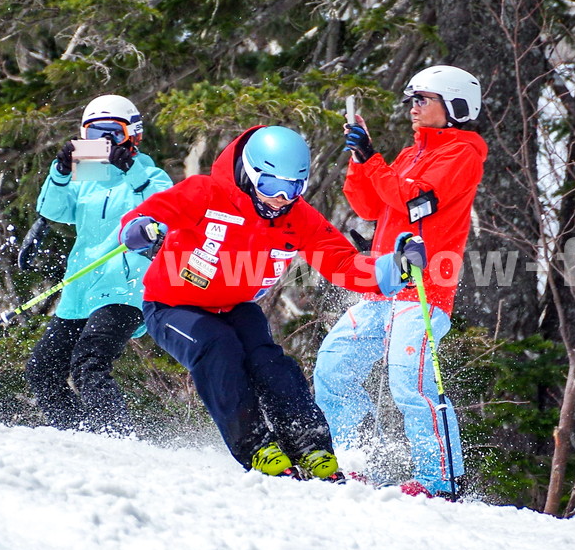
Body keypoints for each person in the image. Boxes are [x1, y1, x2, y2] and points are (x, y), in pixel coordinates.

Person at [119, 125, 425, 479]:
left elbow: (340, 262)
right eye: (270, 186)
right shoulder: (204, 192)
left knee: (269, 362)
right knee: (219, 349)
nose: (280, 198)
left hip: (235, 306)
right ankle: (257, 447)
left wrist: (393, 268)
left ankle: (310, 445)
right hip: (173, 305)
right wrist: (140, 229)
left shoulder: (298, 218)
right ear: (250, 175)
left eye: (293, 187)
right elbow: (145, 218)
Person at [313, 66, 487, 498]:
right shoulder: (411, 155)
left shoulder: (462, 153)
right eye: (413, 99)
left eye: (423, 99)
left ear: (454, 106)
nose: (413, 107)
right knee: (334, 368)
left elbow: (412, 201)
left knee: (410, 384)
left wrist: (372, 158)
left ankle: (440, 481)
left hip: (424, 289)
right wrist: (360, 160)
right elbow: (370, 205)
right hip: (384, 286)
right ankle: (354, 460)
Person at [24, 95, 172, 433]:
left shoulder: (151, 175)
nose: (103, 144)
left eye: (112, 134)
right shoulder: (88, 172)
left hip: (126, 289)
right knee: (42, 369)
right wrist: (60, 173)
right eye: (94, 135)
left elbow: (167, 212)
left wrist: (131, 170)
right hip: (81, 290)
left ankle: (116, 437)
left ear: (132, 136)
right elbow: (57, 210)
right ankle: (77, 433)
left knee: (89, 363)